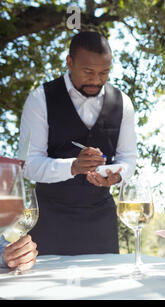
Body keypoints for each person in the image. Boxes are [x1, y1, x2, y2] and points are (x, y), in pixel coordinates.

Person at [18, 31, 137, 255]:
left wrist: (118, 174)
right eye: (88, 72)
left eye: (104, 73)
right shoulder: (40, 99)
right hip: (49, 221)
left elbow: (129, 159)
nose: (96, 80)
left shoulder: (123, 103)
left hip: (101, 223)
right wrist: (73, 166)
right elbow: (27, 164)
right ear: (69, 62)